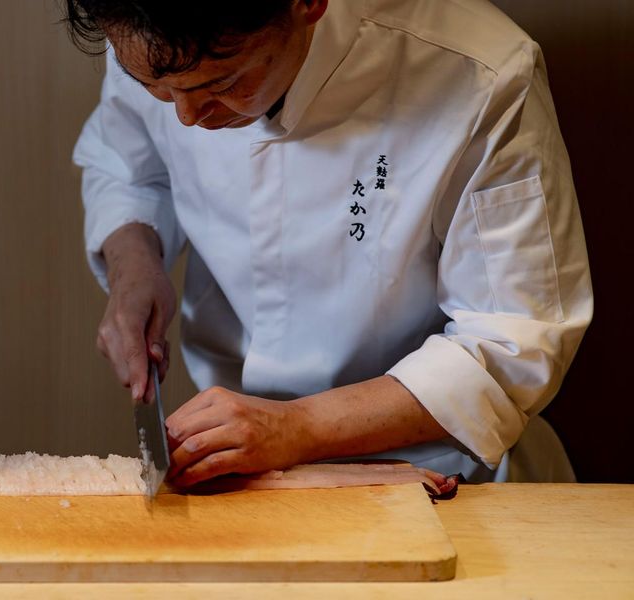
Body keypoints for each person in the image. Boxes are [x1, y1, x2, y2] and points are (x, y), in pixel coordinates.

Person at [66, 0, 592, 486]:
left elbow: (511, 342)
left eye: (223, 83)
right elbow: (126, 167)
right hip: (240, 470)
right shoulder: (149, 29)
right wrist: (134, 267)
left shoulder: (480, 73)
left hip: (440, 468)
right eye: (157, 90)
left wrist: (298, 427)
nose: (185, 117)